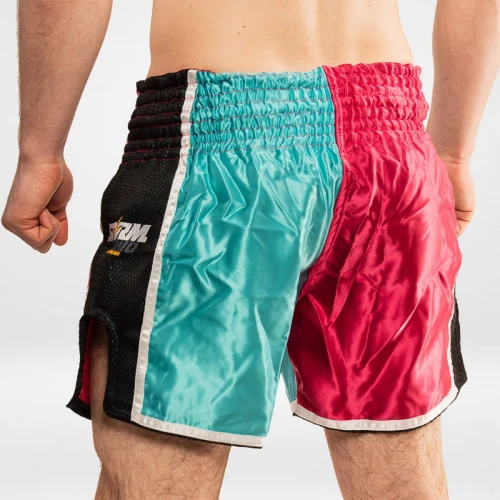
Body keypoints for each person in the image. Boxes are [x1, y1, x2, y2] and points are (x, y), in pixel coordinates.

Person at [2, 0, 499, 498]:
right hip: (393, 151)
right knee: (404, 473)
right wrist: (453, 152)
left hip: (217, 146)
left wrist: (40, 153)